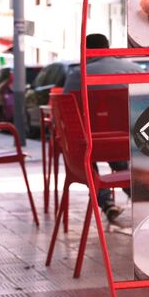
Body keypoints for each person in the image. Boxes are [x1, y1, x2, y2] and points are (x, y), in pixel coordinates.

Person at [63, 34, 140, 218]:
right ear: (108, 47)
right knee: (115, 150)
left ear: (85, 51)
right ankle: (137, 195)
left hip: (91, 143)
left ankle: (105, 201)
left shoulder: (78, 75)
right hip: (131, 142)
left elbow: (67, 108)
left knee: (88, 151)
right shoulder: (136, 70)